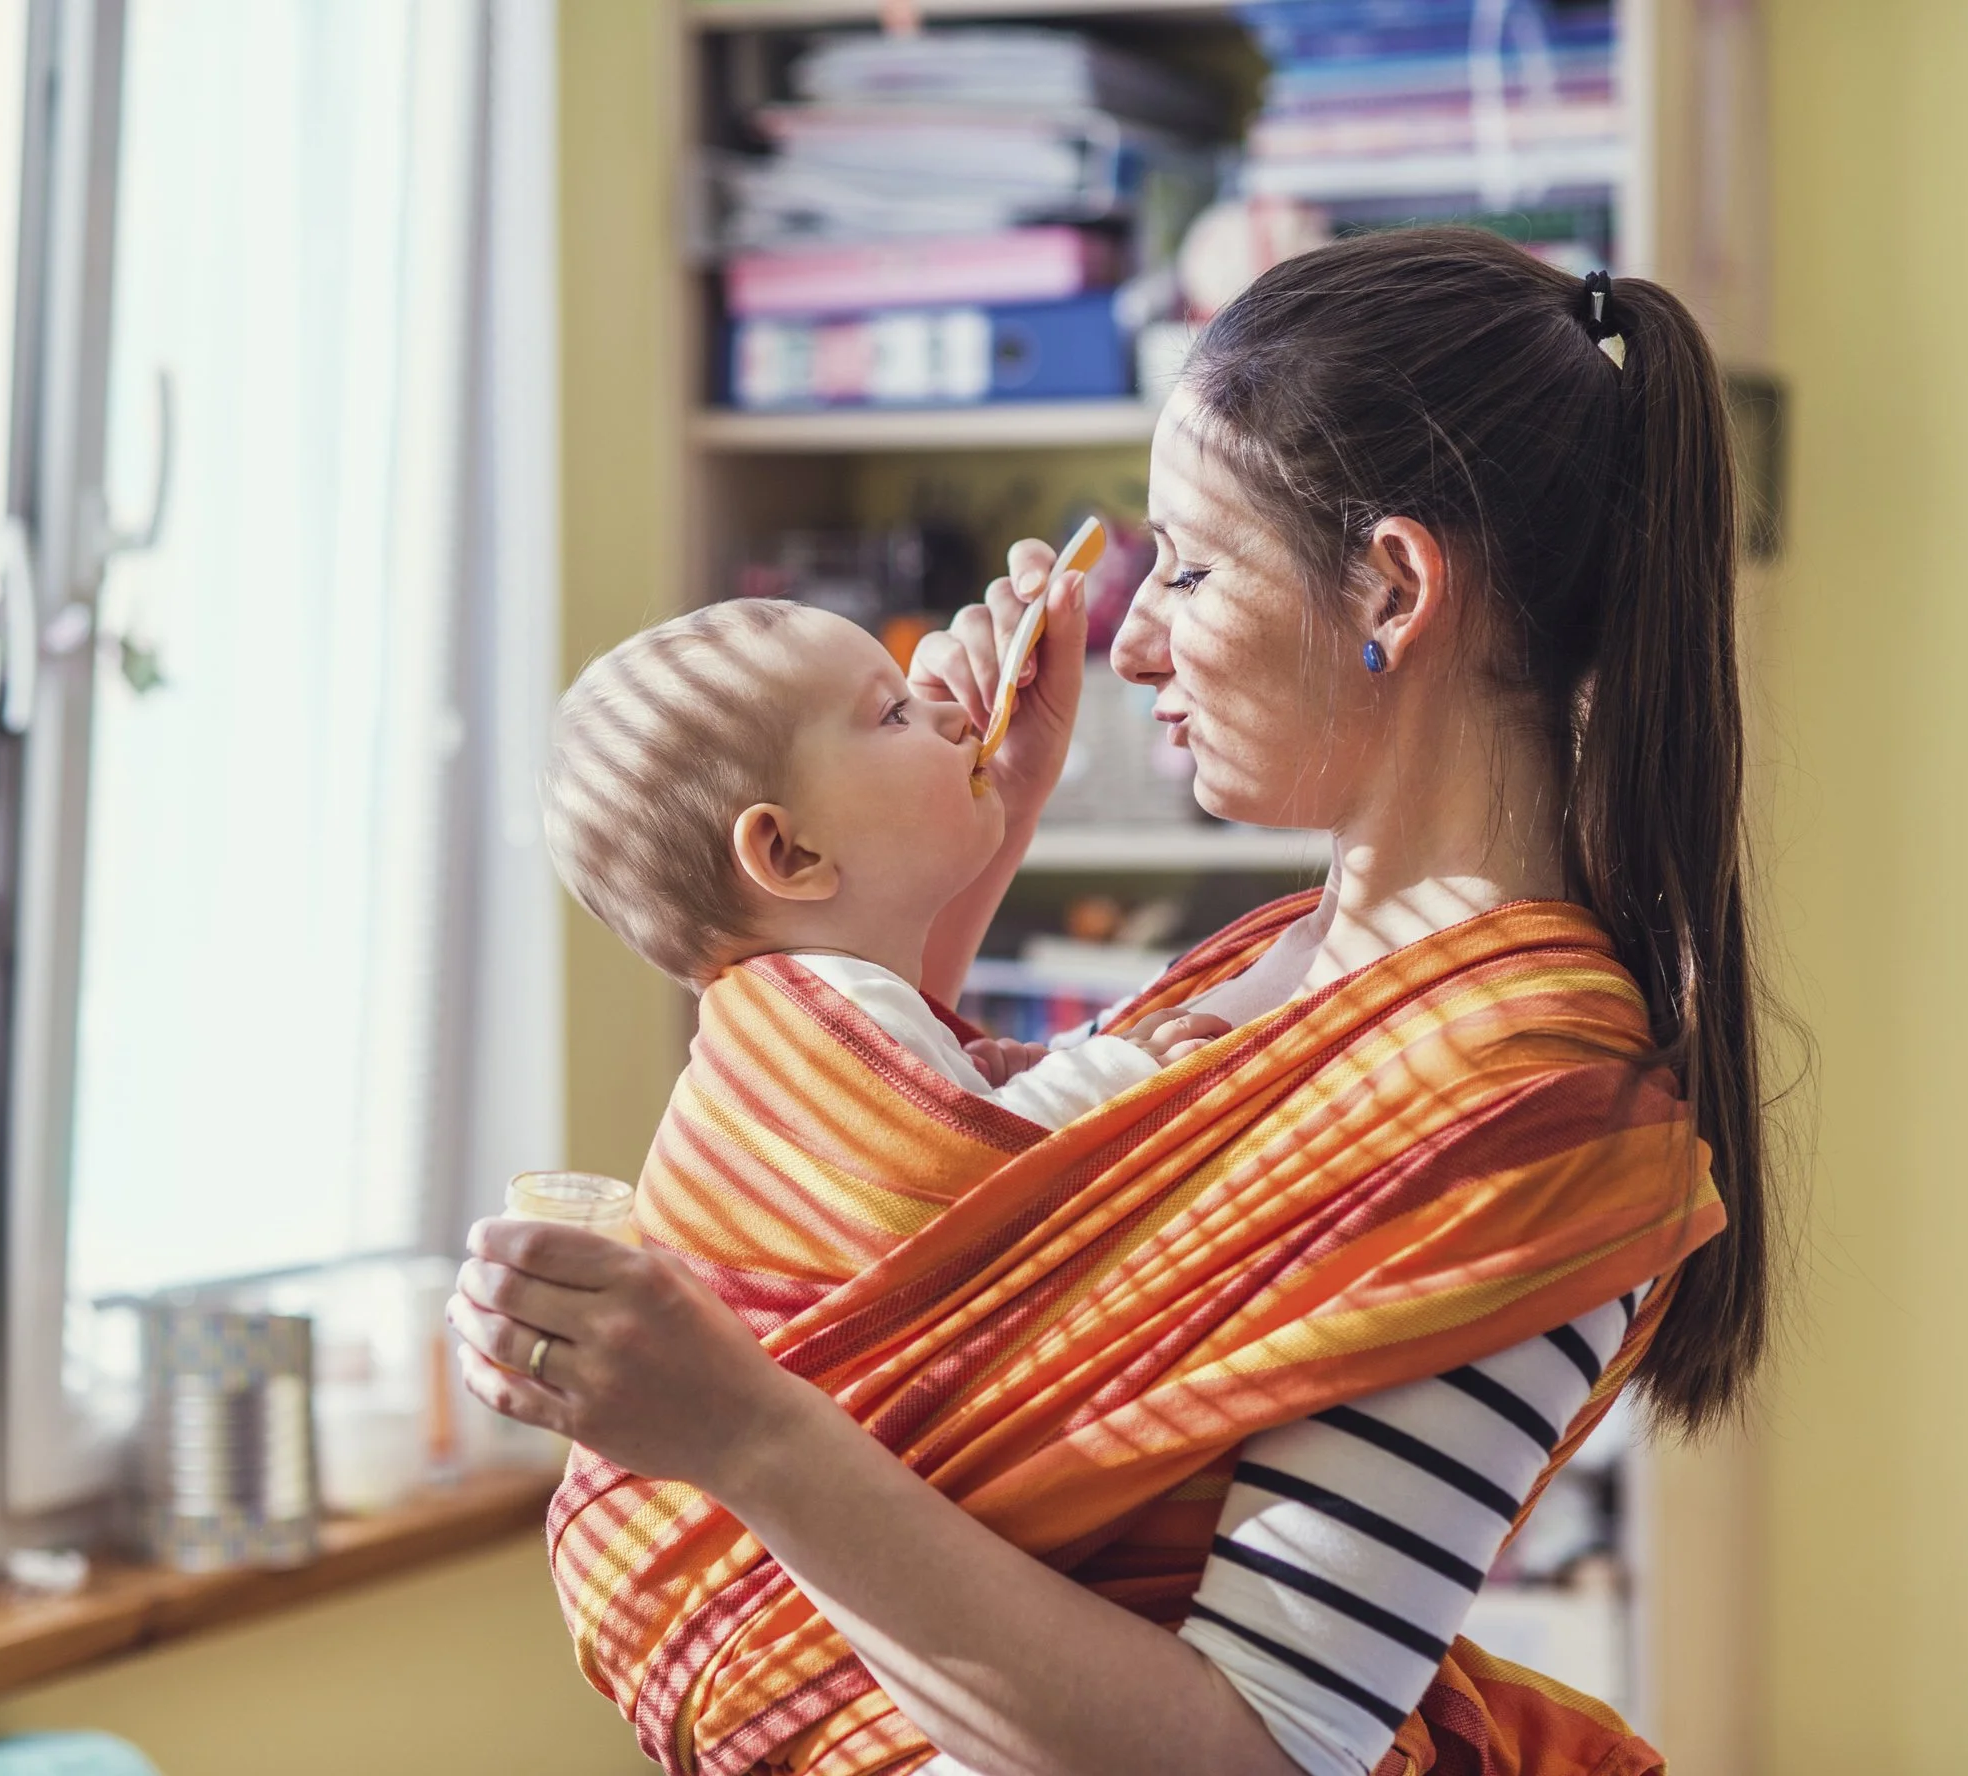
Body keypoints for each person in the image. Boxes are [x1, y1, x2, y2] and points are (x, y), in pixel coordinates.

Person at [448, 228, 1775, 1776]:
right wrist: (955, 874)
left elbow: (1260, 1754)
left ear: (1395, 589)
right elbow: (962, 1275)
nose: (1132, 637)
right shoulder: (1298, 955)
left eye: (1194, 568)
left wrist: (743, 1436)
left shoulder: (1524, 1101)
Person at [539, 596, 1231, 1128]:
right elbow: (964, 1167)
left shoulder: (809, 1015)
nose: (954, 715)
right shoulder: (833, 1019)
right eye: (894, 713)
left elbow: (945, 1132)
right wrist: (1118, 1071)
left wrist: (1006, 1072)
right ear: (791, 853)